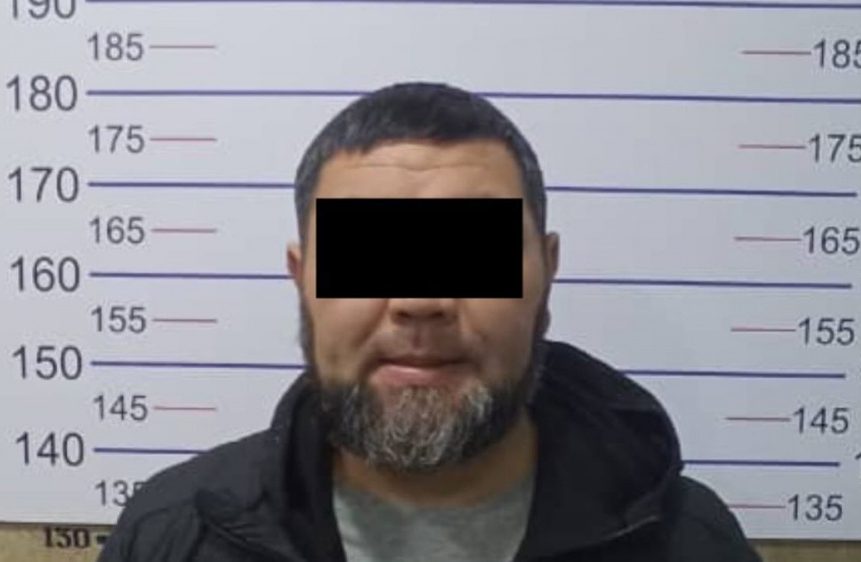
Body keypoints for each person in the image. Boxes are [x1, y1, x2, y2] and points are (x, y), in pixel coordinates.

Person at [97, 82, 762, 562]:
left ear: (546, 273)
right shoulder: (172, 538)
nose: (420, 298)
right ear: (303, 280)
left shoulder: (689, 544)